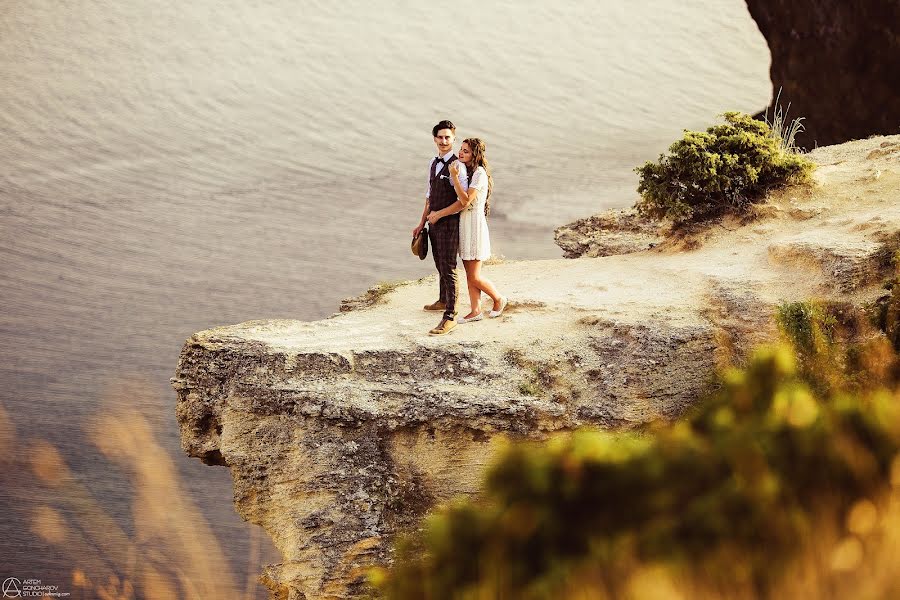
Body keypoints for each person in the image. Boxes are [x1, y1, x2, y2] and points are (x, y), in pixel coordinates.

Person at [427, 137, 506, 324]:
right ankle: (475, 310)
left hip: (474, 227)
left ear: (475, 155)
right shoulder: (467, 171)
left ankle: (498, 298)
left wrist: (453, 176)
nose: (461, 153)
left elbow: (465, 201)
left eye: (466, 151)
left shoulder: (479, 173)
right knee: (469, 273)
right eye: (461, 149)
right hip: (464, 225)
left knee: (474, 275)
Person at [413, 120, 468, 336]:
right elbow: (429, 195)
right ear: (434, 139)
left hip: (449, 223)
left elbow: (462, 201)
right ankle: (443, 299)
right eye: (440, 137)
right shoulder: (432, 163)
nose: (444, 141)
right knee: (438, 263)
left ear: (453, 139)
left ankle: (451, 315)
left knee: (449, 267)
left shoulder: (458, 166)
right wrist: (421, 222)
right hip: (433, 221)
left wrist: (439, 215)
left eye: (448, 137)